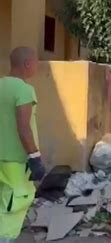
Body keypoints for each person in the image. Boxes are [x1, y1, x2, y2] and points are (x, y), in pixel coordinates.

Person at [0, 47, 46, 242]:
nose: (36, 66)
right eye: (36, 62)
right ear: (27, 64)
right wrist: (35, 157)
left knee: (3, 199)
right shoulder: (24, 90)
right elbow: (23, 127)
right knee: (15, 204)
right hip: (16, 161)